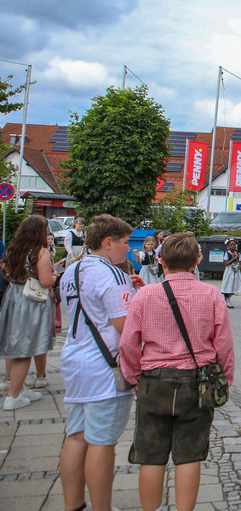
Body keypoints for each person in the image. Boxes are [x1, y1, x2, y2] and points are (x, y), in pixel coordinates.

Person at [119, 231, 234, 511]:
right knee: (189, 455)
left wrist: (135, 377)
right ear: (198, 260)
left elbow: (128, 343)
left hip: (153, 380)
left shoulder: (145, 295)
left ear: (161, 260)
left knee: (150, 455)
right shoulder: (212, 294)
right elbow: (224, 346)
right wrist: (224, 381)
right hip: (196, 383)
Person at [58, 214, 136, 511]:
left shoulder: (72, 270)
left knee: (76, 436)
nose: (127, 249)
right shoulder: (114, 274)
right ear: (108, 242)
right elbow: (123, 324)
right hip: (104, 366)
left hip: (75, 359)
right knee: (101, 442)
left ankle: (74, 506)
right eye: (125, 243)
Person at [0, 215, 56, 410]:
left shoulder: (13, 249)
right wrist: (55, 276)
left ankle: (19, 388)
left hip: (14, 296)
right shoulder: (40, 252)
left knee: (16, 344)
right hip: (31, 301)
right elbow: (45, 280)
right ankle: (13, 396)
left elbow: (6, 272)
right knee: (25, 349)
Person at [219, 239, 241, 308]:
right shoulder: (227, 253)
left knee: (235, 285)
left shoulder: (238, 253)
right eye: (231, 245)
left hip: (236, 271)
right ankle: (227, 298)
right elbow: (226, 263)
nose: (233, 246)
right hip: (229, 271)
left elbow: (240, 263)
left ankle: (228, 297)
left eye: (234, 245)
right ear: (228, 246)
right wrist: (233, 258)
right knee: (228, 284)